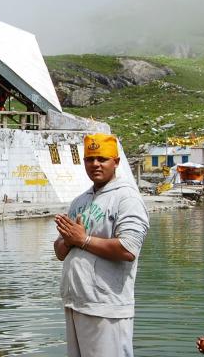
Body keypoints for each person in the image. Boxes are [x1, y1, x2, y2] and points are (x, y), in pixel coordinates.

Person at [53, 133, 150, 357]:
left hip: (106, 307)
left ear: (116, 162)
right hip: (76, 302)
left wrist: (83, 240)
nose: (95, 164)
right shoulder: (80, 201)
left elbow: (128, 249)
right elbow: (59, 252)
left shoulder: (127, 198)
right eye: (90, 159)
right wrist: (68, 242)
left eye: (102, 159)